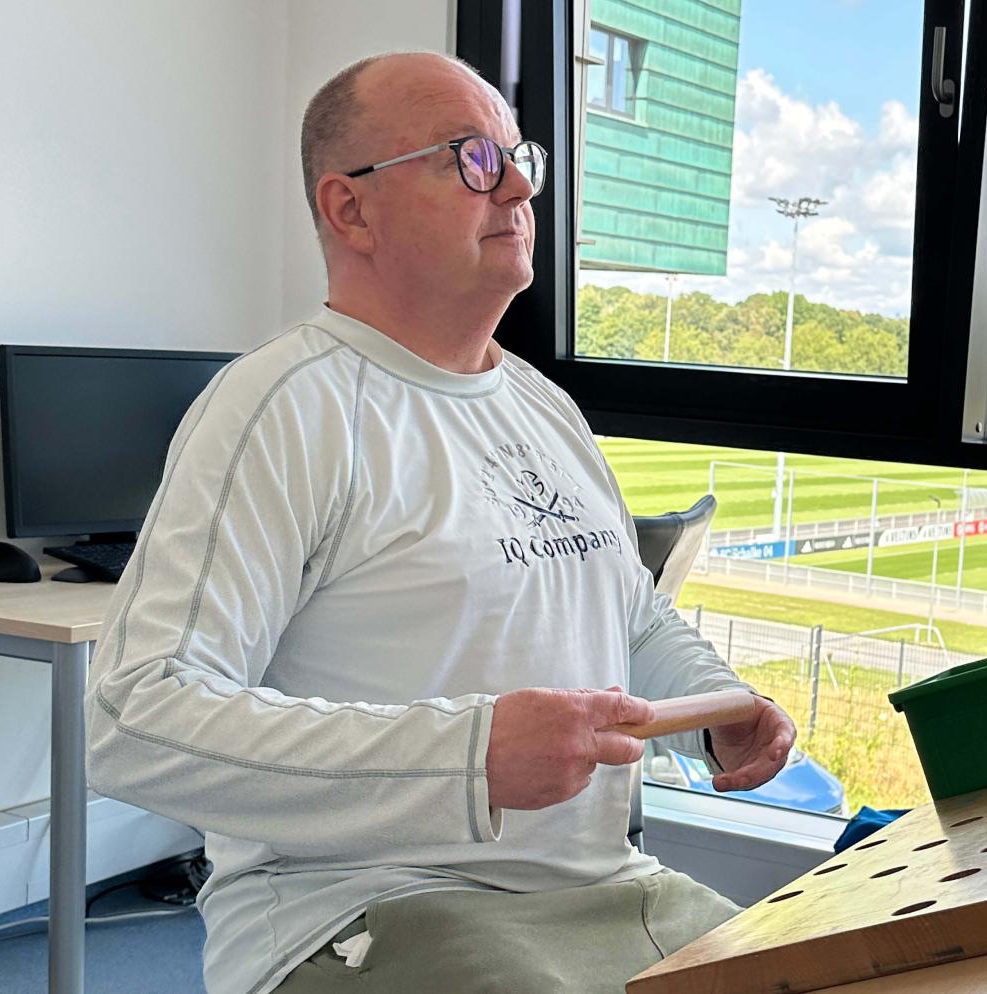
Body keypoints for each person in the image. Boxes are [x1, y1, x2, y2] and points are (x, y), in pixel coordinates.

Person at [85, 50, 796, 994]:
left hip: (606, 887)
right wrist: (465, 757)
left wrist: (714, 710)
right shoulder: (281, 408)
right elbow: (135, 719)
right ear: (350, 209)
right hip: (366, 904)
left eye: (518, 156)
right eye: (468, 157)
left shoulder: (544, 407)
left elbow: (629, 620)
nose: (513, 186)